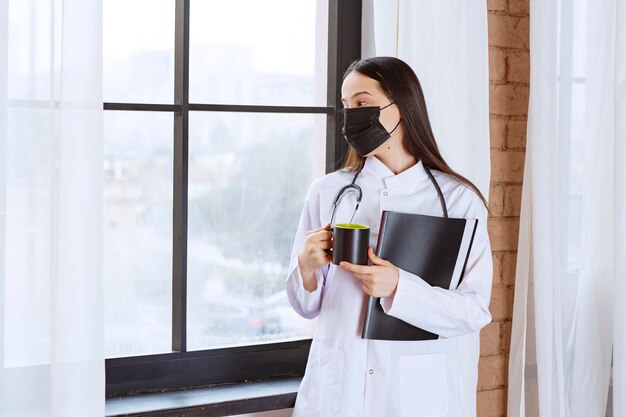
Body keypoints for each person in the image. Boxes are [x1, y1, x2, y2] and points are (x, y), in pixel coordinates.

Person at [285, 56, 493, 417]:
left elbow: (473, 311)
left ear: (402, 106)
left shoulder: (458, 201)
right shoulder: (327, 192)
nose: (352, 114)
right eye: (347, 105)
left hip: (413, 397)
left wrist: (399, 286)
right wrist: (305, 268)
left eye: (363, 103)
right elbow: (306, 307)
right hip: (337, 389)